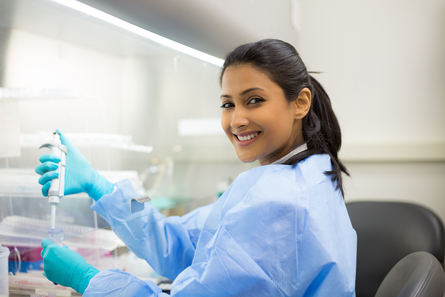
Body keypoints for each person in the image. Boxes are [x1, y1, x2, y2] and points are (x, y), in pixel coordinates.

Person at [36, 39, 357, 296]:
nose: (237, 119)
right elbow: (182, 242)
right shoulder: (304, 174)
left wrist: (89, 280)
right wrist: (101, 187)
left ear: (300, 102)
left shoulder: (280, 202)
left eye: (255, 100)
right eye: (228, 104)